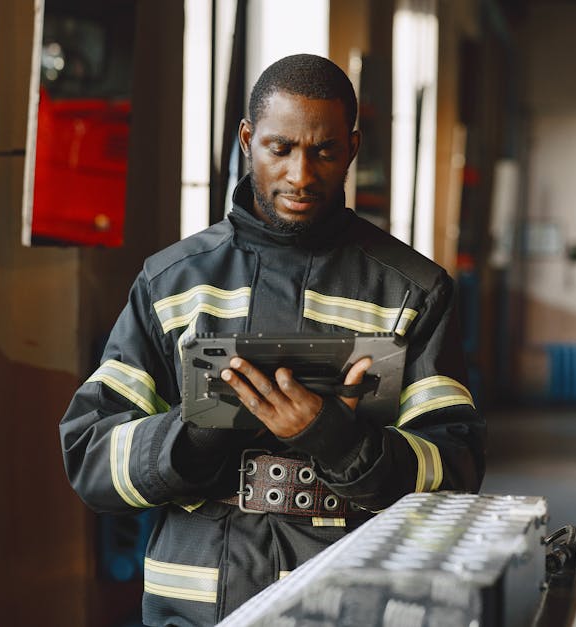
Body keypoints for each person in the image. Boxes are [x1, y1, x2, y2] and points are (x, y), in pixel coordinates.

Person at [59, 53, 486, 626]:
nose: (301, 175)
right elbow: (89, 454)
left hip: (343, 607)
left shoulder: (411, 291)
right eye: (280, 148)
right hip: (192, 610)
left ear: (352, 148)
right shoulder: (171, 284)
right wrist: (193, 437)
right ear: (246, 139)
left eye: (324, 151)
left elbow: (455, 465)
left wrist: (339, 443)